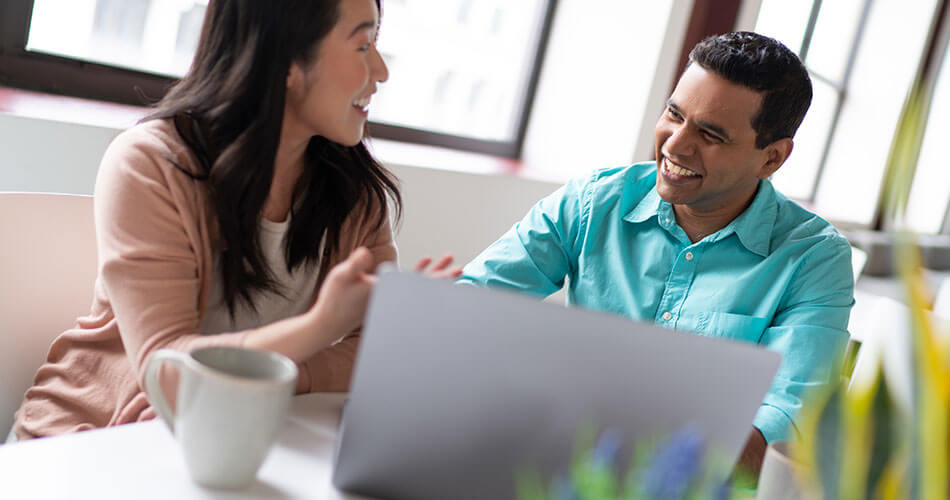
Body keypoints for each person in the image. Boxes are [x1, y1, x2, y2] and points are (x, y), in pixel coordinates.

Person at [10, 0, 458, 442]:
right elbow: (168, 373)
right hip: (89, 439)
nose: (381, 71)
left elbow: (379, 351)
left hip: (225, 439)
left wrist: (281, 377)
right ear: (287, 57)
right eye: (363, 46)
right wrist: (319, 327)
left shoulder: (355, 195)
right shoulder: (151, 163)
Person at [459, 31, 854, 477]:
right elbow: (473, 305)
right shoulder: (592, 202)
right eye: (674, 114)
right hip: (559, 466)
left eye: (710, 134)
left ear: (772, 158)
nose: (674, 145)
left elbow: (788, 424)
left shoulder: (815, 258)